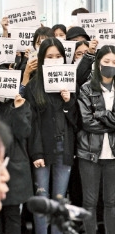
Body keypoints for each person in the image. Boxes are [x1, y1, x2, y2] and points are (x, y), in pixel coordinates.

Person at [24, 37, 78, 234]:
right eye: (49, 56)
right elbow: (32, 124)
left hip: (64, 148)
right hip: (42, 150)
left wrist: (68, 102)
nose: (54, 60)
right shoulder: (33, 86)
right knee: (42, 200)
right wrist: (36, 153)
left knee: (59, 200)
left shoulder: (71, 83)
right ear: (41, 58)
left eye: (58, 56)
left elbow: (76, 121)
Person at [77, 45, 115, 234]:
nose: (110, 65)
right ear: (98, 62)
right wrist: (111, 120)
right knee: (89, 202)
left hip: (113, 155)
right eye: (106, 61)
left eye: (114, 62)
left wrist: (100, 114)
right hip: (89, 153)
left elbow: (94, 119)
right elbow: (86, 122)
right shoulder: (86, 88)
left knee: (112, 202)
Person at [0, 94, 33, 234]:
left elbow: (24, 132)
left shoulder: (21, 104)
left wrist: (18, 109)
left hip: (14, 166)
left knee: (12, 213)